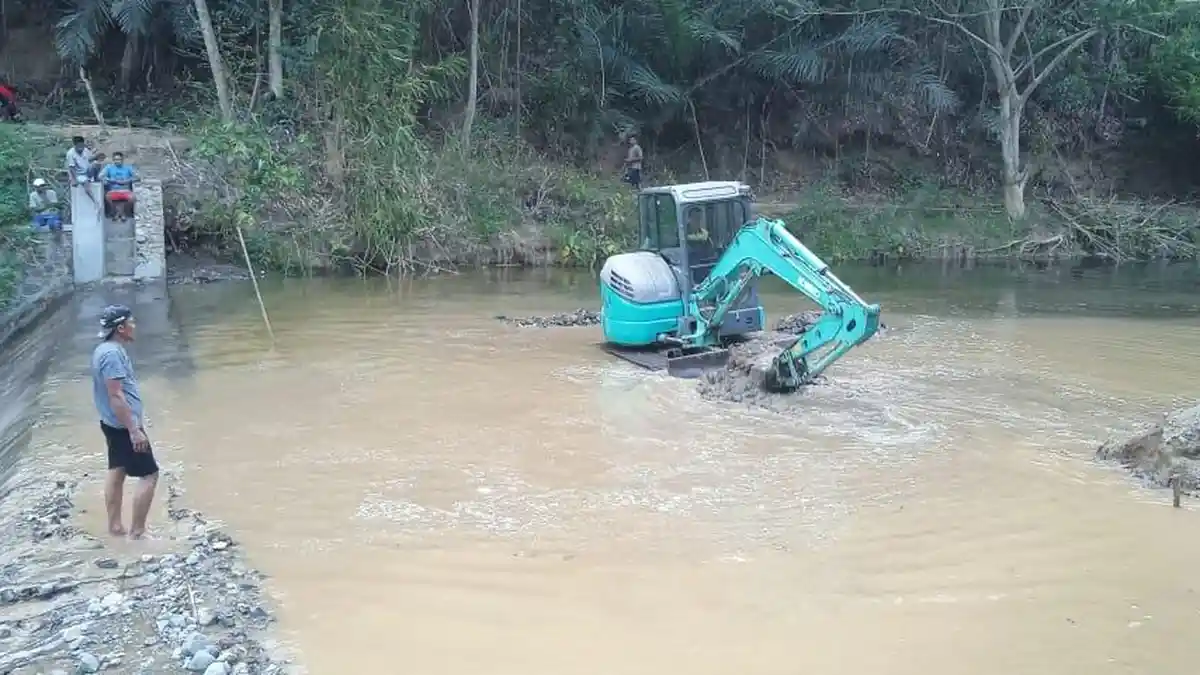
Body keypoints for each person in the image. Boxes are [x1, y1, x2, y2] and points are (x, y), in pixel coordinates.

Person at [92, 305, 158, 539]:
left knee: (117, 470)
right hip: (123, 425)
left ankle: (115, 527)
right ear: (120, 328)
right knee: (149, 474)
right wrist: (134, 430)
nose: (134, 326)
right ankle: (138, 534)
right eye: (132, 322)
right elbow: (116, 395)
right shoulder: (112, 355)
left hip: (111, 422)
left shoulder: (104, 349)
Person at [100, 152, 137, 221]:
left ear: (122, 160)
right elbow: (100, 176)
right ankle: (122, 214)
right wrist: (110, 180)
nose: (117, 161)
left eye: (119, 159)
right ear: (113, 160)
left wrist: (127, 181)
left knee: (133, 198)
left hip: (125, 190)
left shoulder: (128, 167)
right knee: (107, 197)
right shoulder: (109, 167)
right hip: (113, 190)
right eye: (115, 160)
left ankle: (118, 214)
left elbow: (137, 177)